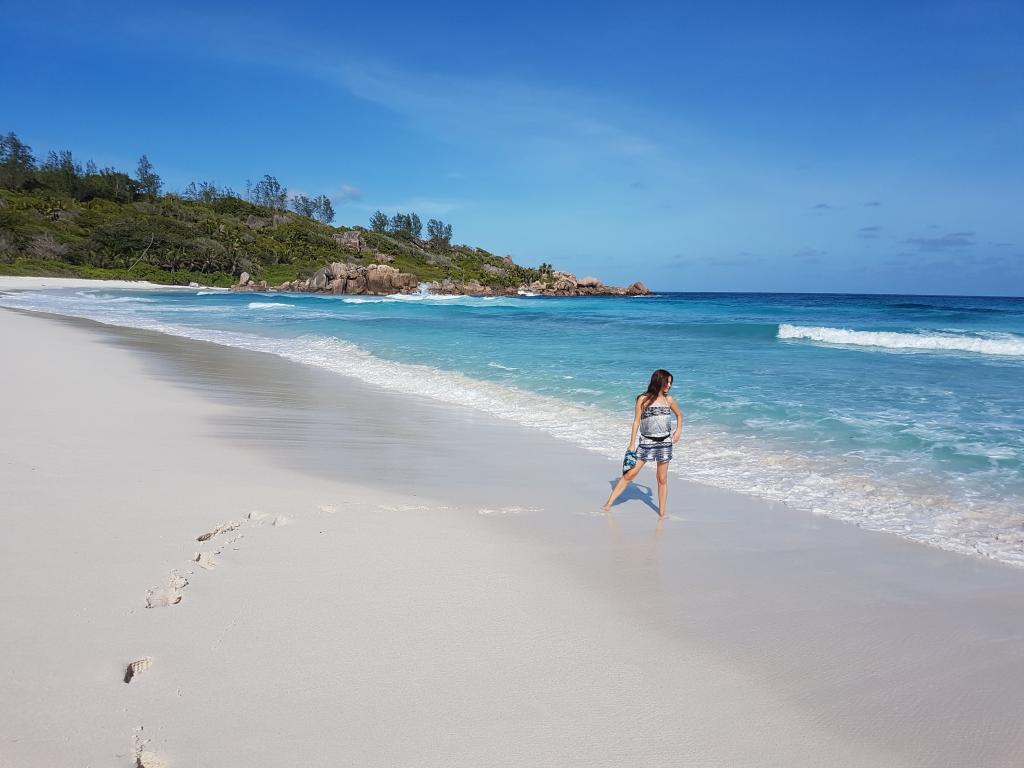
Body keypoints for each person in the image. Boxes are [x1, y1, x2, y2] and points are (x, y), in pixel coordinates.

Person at [602, 369, 682, 518]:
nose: (669, 385)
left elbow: (679, 415)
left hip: (665, 443)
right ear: (658, 381)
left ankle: (662, 513)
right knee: (630, 474)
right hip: (646, 442)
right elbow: (636, 422)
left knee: (662, 479)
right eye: (667, 382)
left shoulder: (669, 400)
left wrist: (678, 431)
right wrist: (632, 443)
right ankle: (608, 505)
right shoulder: (643, 399)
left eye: (671, 383)